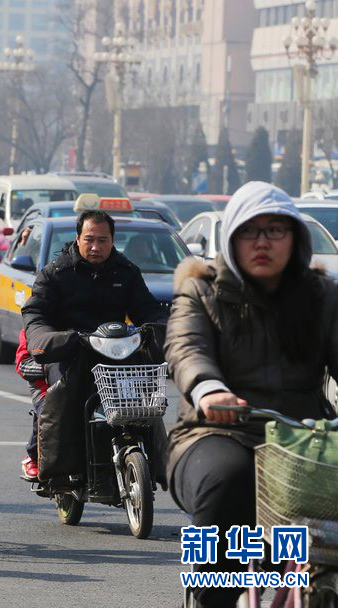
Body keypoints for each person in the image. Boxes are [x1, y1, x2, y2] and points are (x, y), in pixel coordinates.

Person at [165, 181, 338, 608]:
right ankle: (211, 598)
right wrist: (209, 390)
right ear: (232, 238)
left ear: (295, 238)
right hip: (214, 434)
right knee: (229, 482)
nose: (263, 242)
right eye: (250, 231)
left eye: (275, 230)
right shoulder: (201, 290)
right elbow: (187, 349)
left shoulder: (323, 296)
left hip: (304, 441)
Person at [20, 210, 168, 479]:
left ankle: (159, 465)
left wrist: (160, 329)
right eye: (89, 239)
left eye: (103, 240)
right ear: (77, 239)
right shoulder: (55, 273)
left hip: (117, 352)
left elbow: (149, 309)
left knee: (148, 399)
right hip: (71, 351)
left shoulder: (127, 272)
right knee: (61, 396)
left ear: (113, 241)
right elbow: (36, 314)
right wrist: (47, 338)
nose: (96, 246)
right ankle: (45, 461)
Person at [14, 328, 47, 480]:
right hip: (46, 388)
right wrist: (49, 368)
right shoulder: (32, 328)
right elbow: (22, 365)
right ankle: (33, 457)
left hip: (89, 383)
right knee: (51, 409)